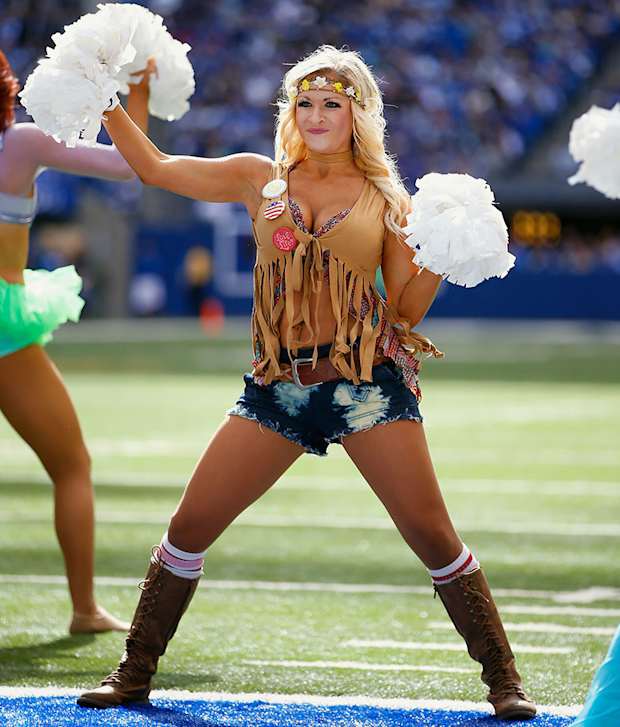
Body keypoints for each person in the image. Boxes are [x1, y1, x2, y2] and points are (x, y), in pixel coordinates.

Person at [77, 45, 536, 720]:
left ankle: (504, 680)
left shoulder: (388, 199)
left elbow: (405, 311)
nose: (316, 116)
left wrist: (444, 252)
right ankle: (133, 673)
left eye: (332, 105)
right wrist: (104, 97)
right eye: (305, 103)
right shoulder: (257, 177)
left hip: (364, 388)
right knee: (188, 527)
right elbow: (154, 167)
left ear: (359, 115)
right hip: (277, 389)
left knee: (433, 535)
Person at [0, 49, 151, 634]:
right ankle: (85, 609)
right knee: (71, 466)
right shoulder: (19, 145)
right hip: (5, 328)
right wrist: (136, 90)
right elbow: (133, 165)